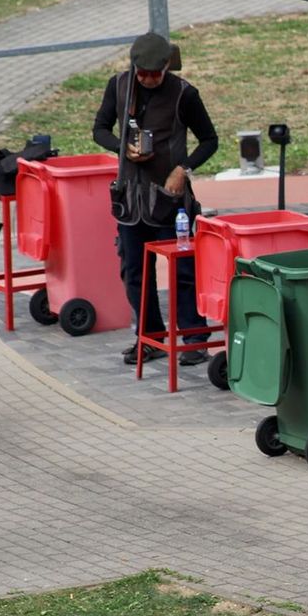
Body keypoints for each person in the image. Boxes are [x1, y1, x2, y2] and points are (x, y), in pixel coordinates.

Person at [92, 32, 217, 366]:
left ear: (166, 66)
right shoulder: (119, 86)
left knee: (183, 271)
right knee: (134, 271)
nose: (147, 78)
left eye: (154, 73)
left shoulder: (184, 93)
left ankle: (194, 339)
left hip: (170, 201)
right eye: (141, 72)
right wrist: (122, 147)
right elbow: (99, 129)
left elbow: (209, 140)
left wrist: (184, 169)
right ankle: (150, 338)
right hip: (130, 201)